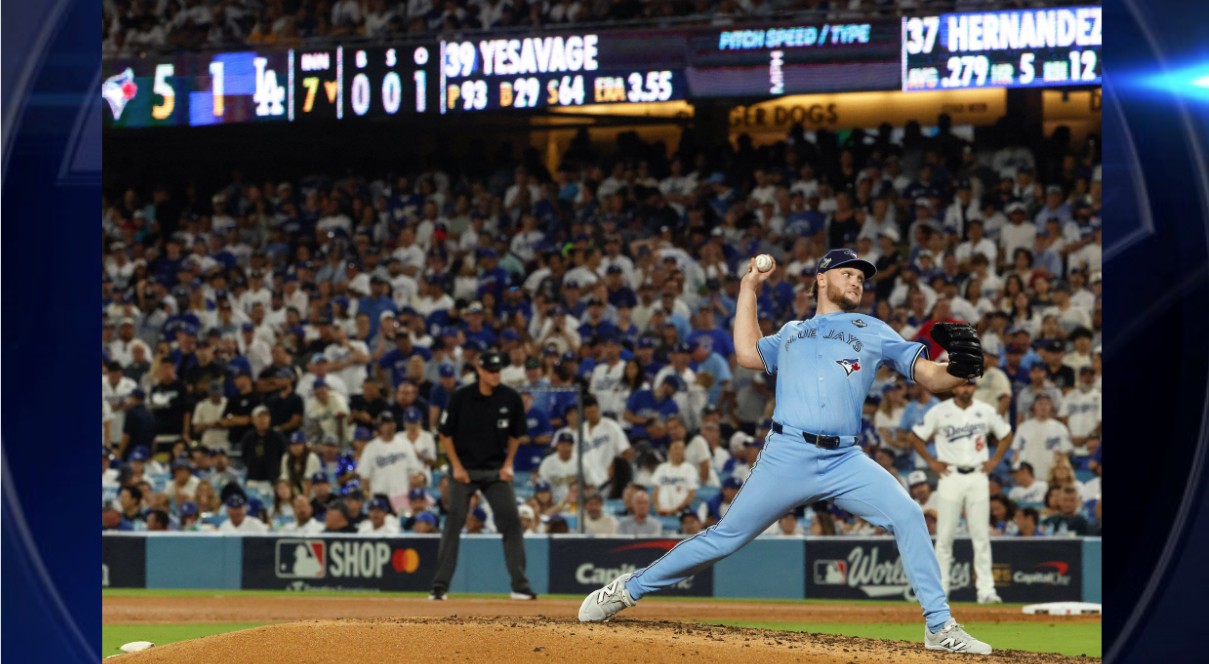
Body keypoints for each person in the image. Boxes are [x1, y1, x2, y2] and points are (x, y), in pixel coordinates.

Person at [579, 250, 994, 655]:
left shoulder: (873, 328)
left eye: (861, 278)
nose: (856, 281)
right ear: (821, 278)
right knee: (723, 539)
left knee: (907, 514)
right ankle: (627, 589)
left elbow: (931, 377)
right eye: (848, 273)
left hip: (844, 460)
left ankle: (939, 626)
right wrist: (749, 288)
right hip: (787, 452)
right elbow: (746, 353)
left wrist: (958, 369)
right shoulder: (793, 331)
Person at [429, 350, 536, 601]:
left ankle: (520, 586)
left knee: (511, 520)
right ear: (479, 370)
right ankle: (439, 587)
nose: (495, 375)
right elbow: (445, 434)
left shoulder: (510, 398)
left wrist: (509, 464)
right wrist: (456, 466)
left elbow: (516, 435)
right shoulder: (461, 397)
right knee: (453, 522)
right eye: (490, 370)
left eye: (498, 370)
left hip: (495, 471)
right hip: (463, 470)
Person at [909, 381, 1013, 603]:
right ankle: (941, 591)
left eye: (969, 386)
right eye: (962, 386)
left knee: (981, 536)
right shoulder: (939, 411)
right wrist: (932, 462)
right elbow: (915, 437)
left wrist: (994, 460)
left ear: (974, 388)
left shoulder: (985, 411)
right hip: (950, 475)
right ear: (954, 388)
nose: (965, 389)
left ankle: (986, 591)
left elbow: (1006, 435)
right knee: (944, 537)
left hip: (978, 475)